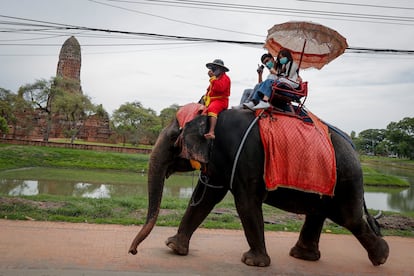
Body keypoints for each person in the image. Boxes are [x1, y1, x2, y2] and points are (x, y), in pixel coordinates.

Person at [202, 59, 231, 139]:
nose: (213, 69)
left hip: (221, 101)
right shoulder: (215, 79)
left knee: (212, 108)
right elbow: (209, 90)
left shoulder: (225, 78)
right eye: (213, 68)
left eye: (216, 68)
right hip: (211, 100)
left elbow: (219, 89)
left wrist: (213, 78)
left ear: (221, 69)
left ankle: (211, 132)